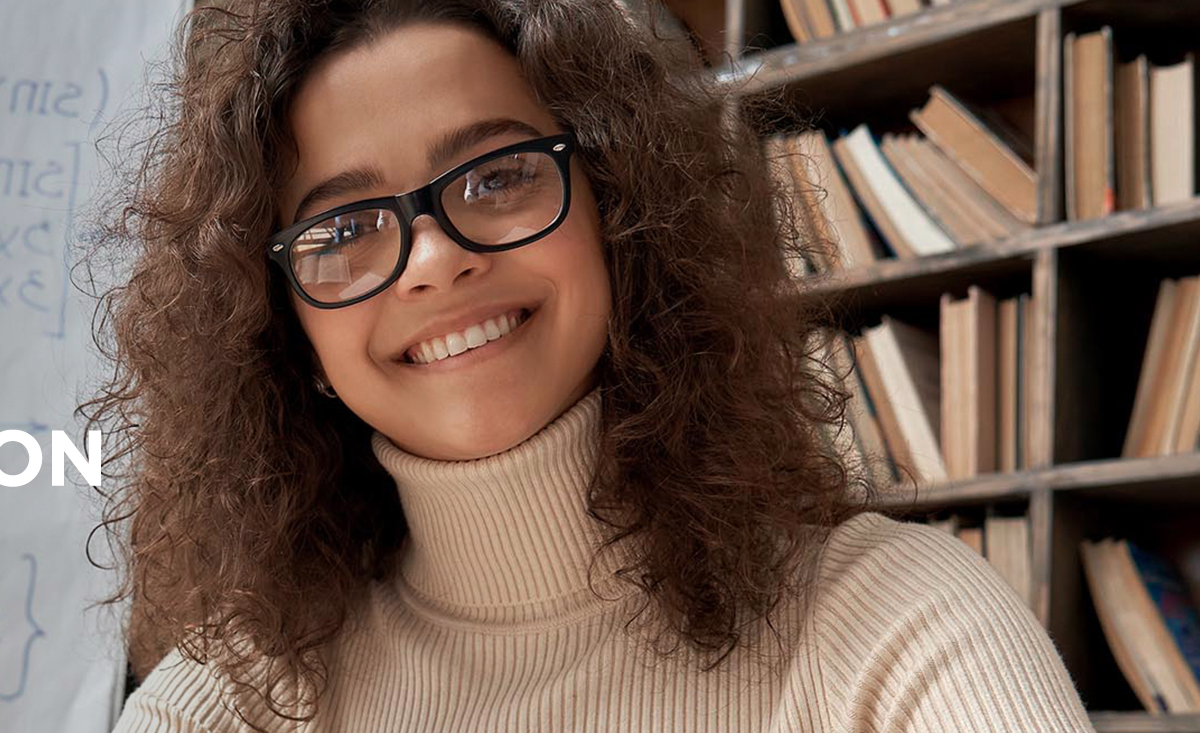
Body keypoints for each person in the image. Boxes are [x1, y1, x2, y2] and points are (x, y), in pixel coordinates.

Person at [80, 0, 1095, 730]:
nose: (434, 259)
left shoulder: (894, 629)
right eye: (341, 227)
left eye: (499, 174)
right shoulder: (233, 702)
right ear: (283, 324)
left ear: (620, 213)